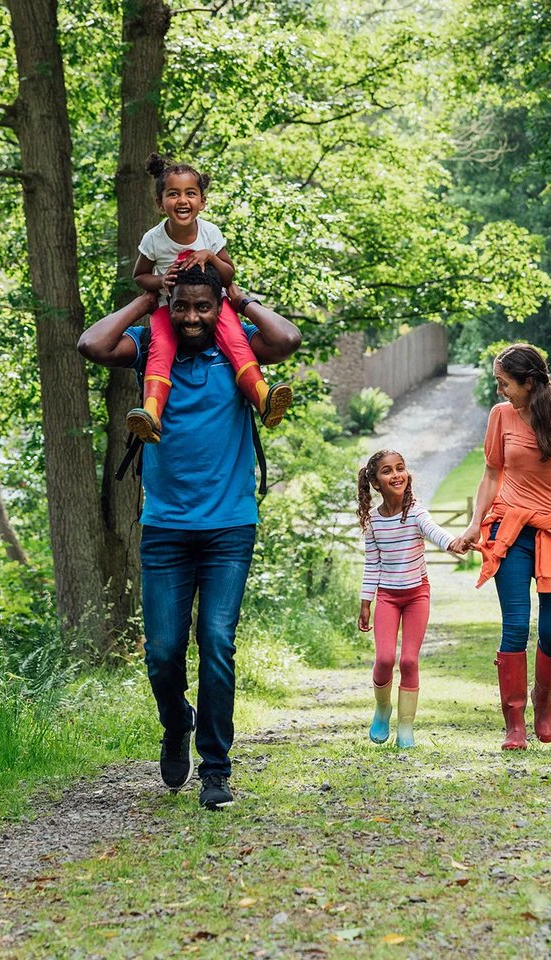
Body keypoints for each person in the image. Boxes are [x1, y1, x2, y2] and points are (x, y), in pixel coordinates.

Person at [77, 262, 301, 810]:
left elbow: (288, 338)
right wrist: (147, 299)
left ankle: (216, 770)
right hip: (165, 530)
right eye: (184, 307)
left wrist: (239, 299)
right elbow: (91, 343)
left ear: (216, 307)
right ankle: (176, 721)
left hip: (229, 526)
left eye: (204, 308)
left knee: (217, 642)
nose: (193, 317)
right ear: (171, 307)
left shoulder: (237, 344)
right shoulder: (150, 345)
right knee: (162, 652)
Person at [453, 344, 551, 750]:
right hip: (511, 530)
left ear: (530, 381)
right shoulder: (500, 416)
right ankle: (514, 721)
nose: (499, 390)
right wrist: (473, 525)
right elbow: (491, 474)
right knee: (516, 625)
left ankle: (544, 696)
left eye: (504, 383)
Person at [125, 153, 293, 443]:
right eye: (173, 194)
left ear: (202, 202)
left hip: (215, 305)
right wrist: (161, 281)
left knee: (235, 341)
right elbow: (140, 276)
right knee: (160, 349)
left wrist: (211, 257)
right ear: (159, 203)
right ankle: (151, 412)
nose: (182, 200)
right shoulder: (154, 238)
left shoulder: (210, 232)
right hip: (170, 306)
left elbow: (229, 275)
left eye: (190, 193)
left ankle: (263, 398)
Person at [356, 450, 465, 749]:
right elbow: (372, 565)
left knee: (409, 660)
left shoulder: (416, 513)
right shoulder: (374, 523)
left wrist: (454, 543)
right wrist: (366, 602)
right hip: (388, 597)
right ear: (376, 483)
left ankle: (406, 727)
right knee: (384, 659)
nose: (396, 475)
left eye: (400, 468)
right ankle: (382, 709)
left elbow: (435, 533)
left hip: (417, 594)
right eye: (388, 471)